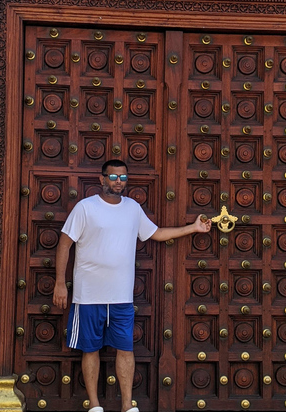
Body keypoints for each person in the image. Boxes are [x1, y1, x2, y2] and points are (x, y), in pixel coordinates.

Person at [53, 159, 211, 412]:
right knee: (90, 349)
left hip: (121, 296)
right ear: (102, 179)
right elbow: (64, 244)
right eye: (114, 177)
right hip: (88, 294)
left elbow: (157, 234)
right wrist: (60, 283)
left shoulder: (132, 208)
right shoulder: (85, 208)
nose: (118, 182)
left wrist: (193, 228)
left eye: (123, 178)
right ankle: (94, 405)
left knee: (125, 348)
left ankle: (128, 406)